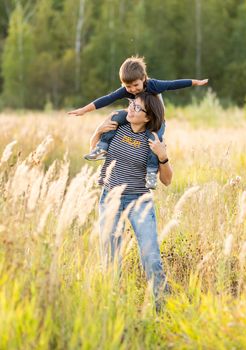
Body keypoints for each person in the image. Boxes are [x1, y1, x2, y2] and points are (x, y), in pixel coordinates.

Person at [68, 56, 208, 189]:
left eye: (136, 85)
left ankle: (151, 172)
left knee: (154, 141)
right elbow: (108, 98)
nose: (133, 89)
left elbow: (174, 84)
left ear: (143, 78)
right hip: (136, 113)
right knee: (115, 116)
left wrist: (195, 82)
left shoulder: (153, 85)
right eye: (128, 87)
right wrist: (84, 110)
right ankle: (102, 147)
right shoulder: (126, 90)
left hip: (156, 120)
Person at [91, 91, 173, 311]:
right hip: (110, 198)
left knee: (151, 256)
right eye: (131, 104)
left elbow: (167, 181)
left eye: (137, 108)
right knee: (110, 257)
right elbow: (94, 149)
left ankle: (162, 309)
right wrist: (98, 131)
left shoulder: (154, 139)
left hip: (140, 201)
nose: (131, 109)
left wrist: (163, 156)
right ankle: (112, 309)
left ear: (148, 116)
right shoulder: (118, 127)